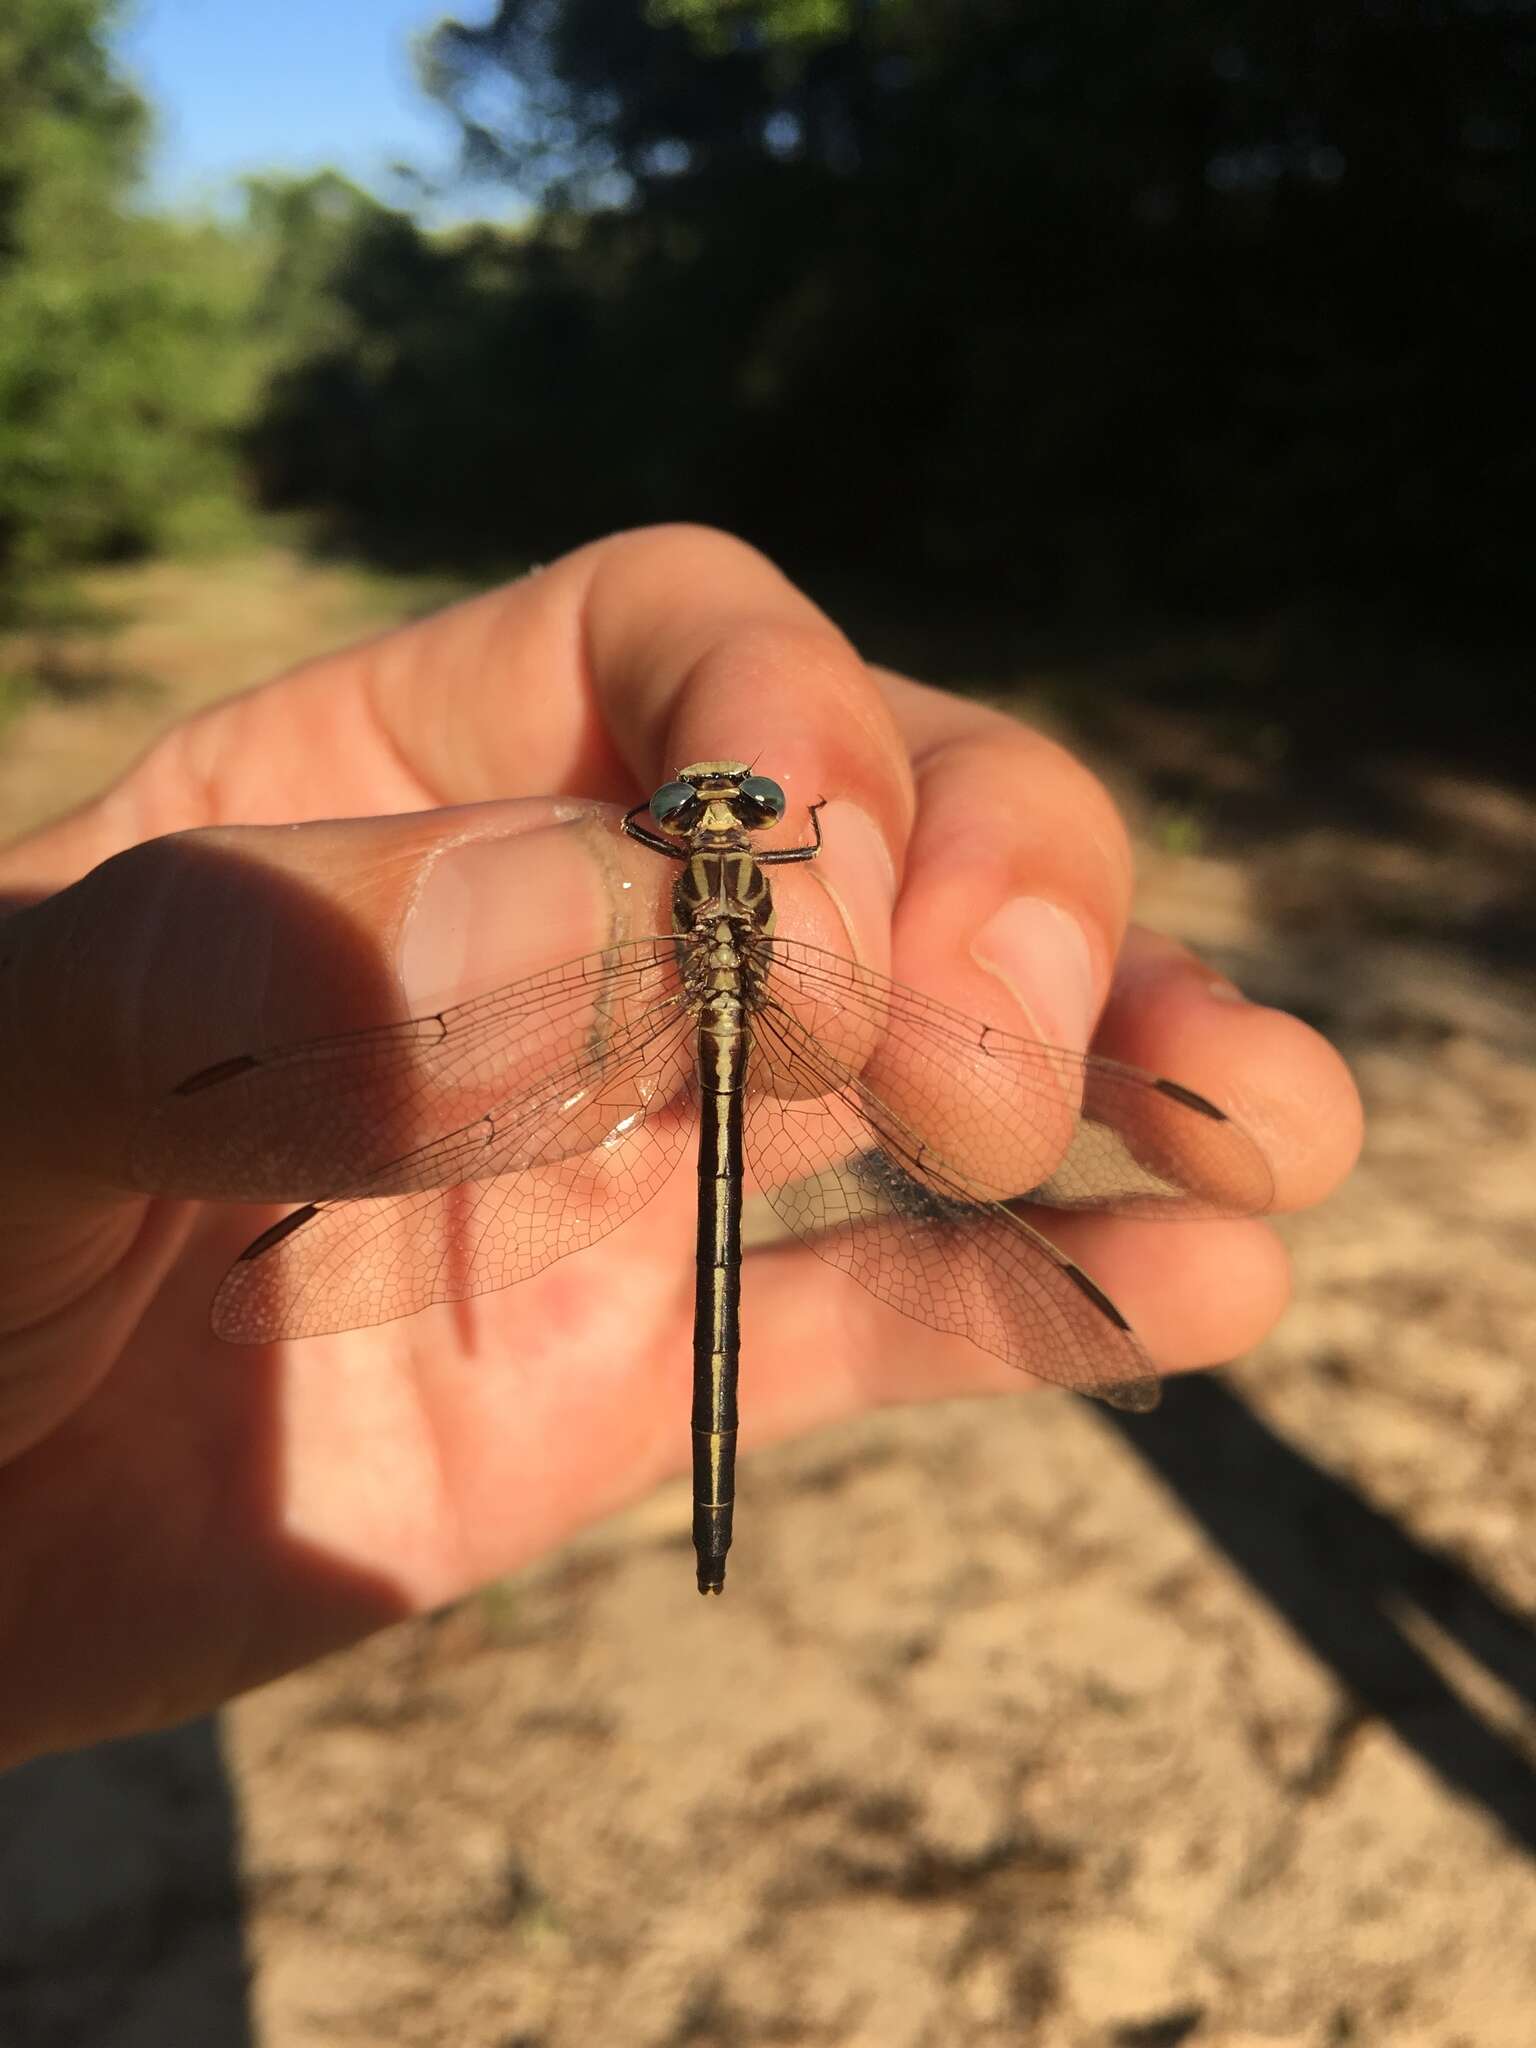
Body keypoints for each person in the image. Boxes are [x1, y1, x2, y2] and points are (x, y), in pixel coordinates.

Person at [0, 524, 1361, 1767]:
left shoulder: (699, 882)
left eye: (731, 816)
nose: (715, 825)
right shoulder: (762, 872)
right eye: (703, 819)